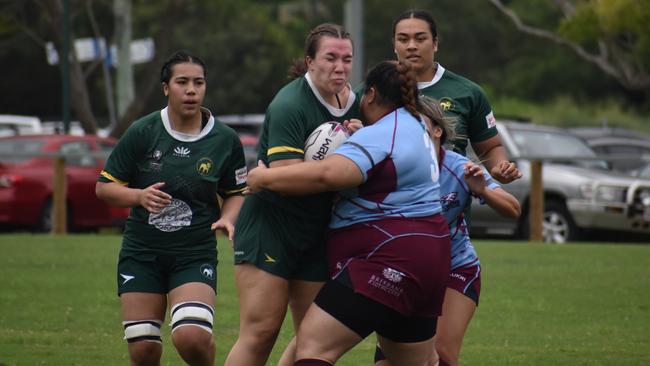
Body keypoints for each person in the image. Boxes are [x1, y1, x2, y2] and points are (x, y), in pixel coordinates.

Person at [246, 59, 451, 366]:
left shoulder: (384, 132)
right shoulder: (416, 125)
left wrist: (263, 178)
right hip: (429, 259)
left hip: (389, 258)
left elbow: (327, 175)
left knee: (313, 346)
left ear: (369, 95)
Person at [95, 51, 247, 366]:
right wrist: (138, 197)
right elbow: (104, 187)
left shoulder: (224, 139)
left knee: (191, 337)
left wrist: (228, 218)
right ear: (166, 88)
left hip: (193, 253)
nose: (191, 90)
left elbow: (235, 192)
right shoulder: (143, 131)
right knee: (143, 348)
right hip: (142, 253)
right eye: (182, 82)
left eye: (198, 82)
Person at [225, 23, 361, 366]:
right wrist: (332, 174)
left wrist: (360, 140)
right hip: (272, 227)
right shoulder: (290, 104)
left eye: (347, 59)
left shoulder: (356, 105)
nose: (340, 67)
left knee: (313, 338)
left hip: (317, 231)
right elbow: (287, 179)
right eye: (330, 58)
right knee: (261, 331)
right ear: (310, 61)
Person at [373, 97, 521, 366]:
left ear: (438, 130)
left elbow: (513, 208)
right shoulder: (394, 166)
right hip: (406, 271)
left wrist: (482, 188)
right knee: (390, 361)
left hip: (456, 267)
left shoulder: (458, 167)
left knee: (441, 354)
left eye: (417, 125)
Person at [392, 9, 521, 184]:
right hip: (392, 207)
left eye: (421, 38)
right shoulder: (373, 91)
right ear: (394, 45)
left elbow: (491, 147)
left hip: (450, 206)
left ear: (435, 43)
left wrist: (500, 168)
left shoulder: (467, 92)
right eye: (403, 39)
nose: (412, 46)